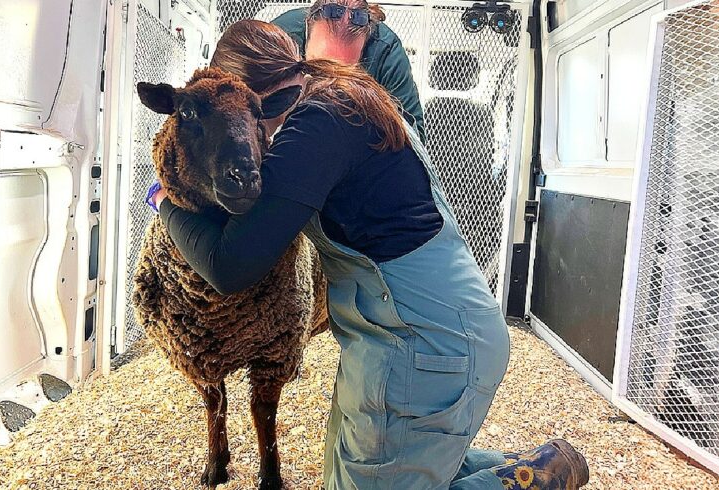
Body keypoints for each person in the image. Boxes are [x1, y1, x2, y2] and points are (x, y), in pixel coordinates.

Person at [148, 19, 589, 490]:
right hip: (386, 338)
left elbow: (229, 266)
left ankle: (539, 478)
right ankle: (537, 462)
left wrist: (162, 199)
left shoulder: (317, 125)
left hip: (427, 339)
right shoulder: (336, 93)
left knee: (383, 474)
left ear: (250, 94)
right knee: (378, 468)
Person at [272, 0, 426, 142]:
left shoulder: (385, 51)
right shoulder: (279, 38)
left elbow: (413, 141)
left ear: (366, 43)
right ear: (307, 28)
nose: (327, 83)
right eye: (317, 67)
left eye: (344, 73)